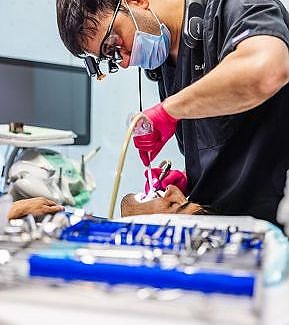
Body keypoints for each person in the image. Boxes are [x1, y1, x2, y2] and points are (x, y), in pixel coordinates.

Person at [56, 0, 289, 226]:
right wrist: (186, 184)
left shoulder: (232, 7)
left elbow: (268, 69)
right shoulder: (167, 65)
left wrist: (169, 111)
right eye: (112, 58)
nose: (125, 61)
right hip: (227, 229)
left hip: (276, 224)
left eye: (114, 43)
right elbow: (235, 144)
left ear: (136, 1)